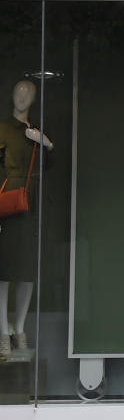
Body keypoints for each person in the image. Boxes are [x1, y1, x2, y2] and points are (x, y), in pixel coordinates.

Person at [0, 80, 52, 361]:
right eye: (18, 91)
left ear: (33, 99)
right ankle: (2, 334)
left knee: (27, 272)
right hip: (9, 204)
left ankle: (19, 329)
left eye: (28, 93)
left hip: (31, 204)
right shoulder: (3, 129)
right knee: (5, 272)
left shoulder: (35, 132)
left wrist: (46, 143)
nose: (22, 96)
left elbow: (49, 167)